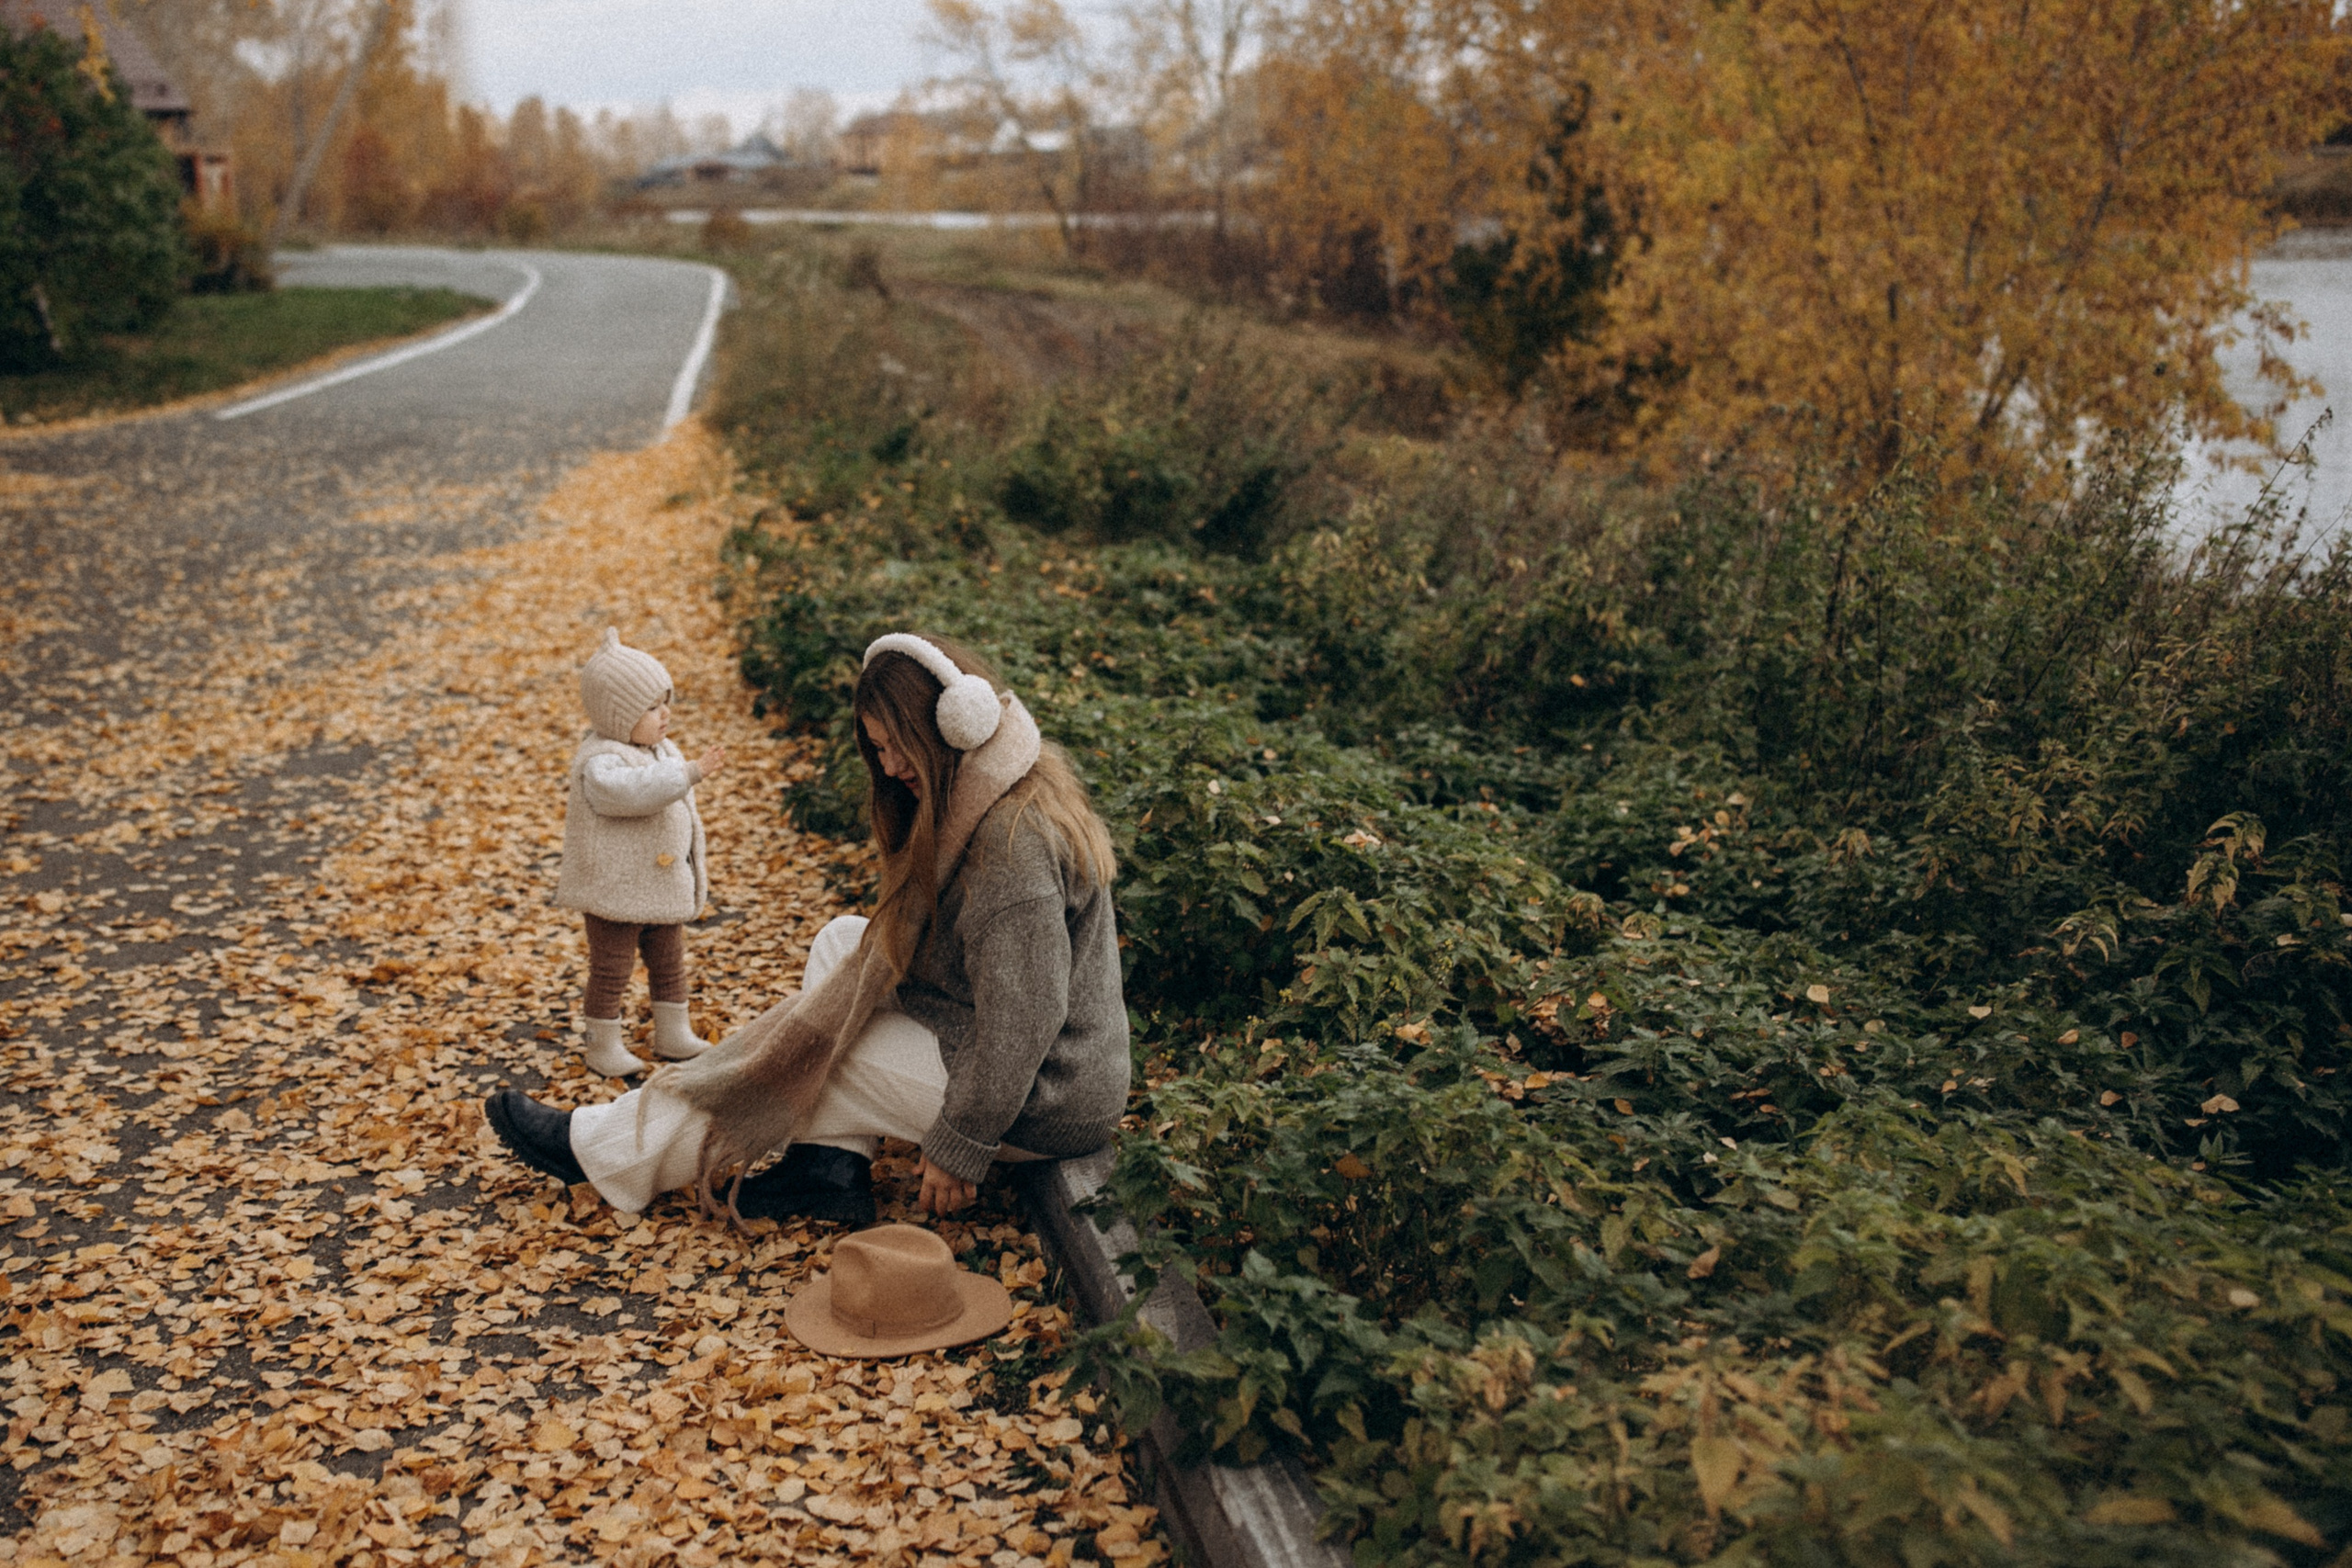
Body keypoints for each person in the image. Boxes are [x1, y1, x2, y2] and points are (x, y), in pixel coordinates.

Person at [486, 632, 1129, 1227]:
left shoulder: (1010, 848)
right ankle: (827, 1168)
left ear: (954, 723)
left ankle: (610, 1151)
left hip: (1047, 1099)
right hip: (1014, 1050)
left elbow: (1027, 1017)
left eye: (897, 744)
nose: (889, 765)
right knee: (844, 944)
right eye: (876, 748)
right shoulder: (990, 785)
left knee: (809, 1050)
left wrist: (962, 1142)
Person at [554, 628, 726, 1077]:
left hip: (658, 883)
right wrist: (688, 773)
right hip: (613, 888)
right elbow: (634, 793)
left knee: (668, 959)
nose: (665, 714)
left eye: (666, 701)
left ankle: (673, 1032)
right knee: (611, 967)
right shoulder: (602, 761)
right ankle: (602, 1043)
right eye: (651, 707)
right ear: (616, 715)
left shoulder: (658, 748)